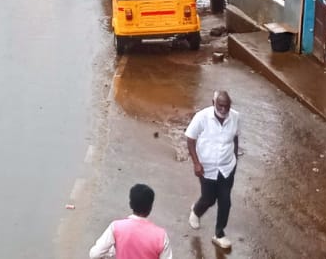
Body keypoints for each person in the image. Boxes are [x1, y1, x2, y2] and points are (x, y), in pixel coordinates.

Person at [185, 90, 240, 249]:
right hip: (206, 168)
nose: (223, 110)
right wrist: (196, 163)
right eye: (220, 105)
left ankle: (219, 233)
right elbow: (190, 139)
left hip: (227, 168)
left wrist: (235, 158)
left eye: (227, 106)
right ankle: (196, 211)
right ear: (213, 103)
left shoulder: (235, 117)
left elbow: (236, 137)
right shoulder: (202, 117)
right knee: (209, 199)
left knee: (225, 201)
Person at [88, 184, 173, 259]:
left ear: (130, 204)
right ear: (150, 207)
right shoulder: (161, 236)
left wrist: (113, 252)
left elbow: (94, 254)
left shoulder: (116, 227)